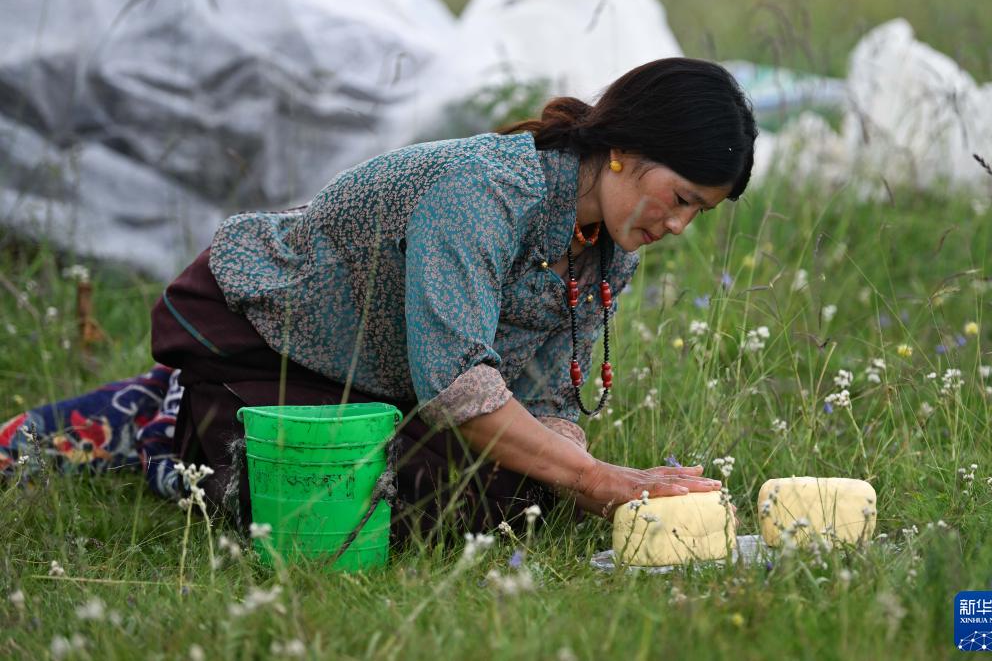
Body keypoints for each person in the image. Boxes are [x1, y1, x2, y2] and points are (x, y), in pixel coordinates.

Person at [1, 57, 757, 544]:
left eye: (701, 213)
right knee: (338, 519)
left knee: (510, 500)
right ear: (627, 145)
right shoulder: (487, 189)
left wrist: (592, 480)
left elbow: (547, 391)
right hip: (264, 334)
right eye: (681, 197)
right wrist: (598, 478)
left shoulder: (606, 248)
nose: (679, 225)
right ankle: (160, 418)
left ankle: (202, 428)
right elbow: (459, 384)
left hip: (379, 379)